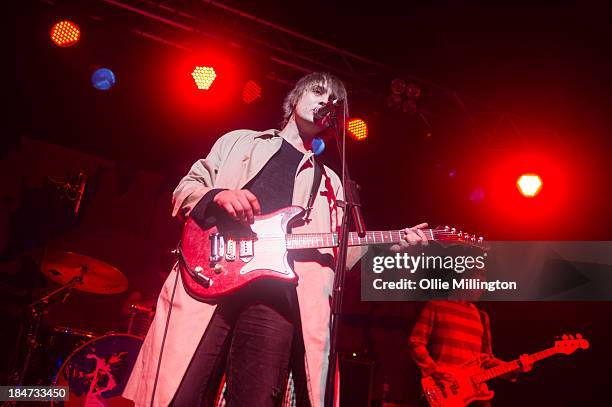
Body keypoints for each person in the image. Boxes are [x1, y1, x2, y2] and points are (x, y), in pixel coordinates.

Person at [123, 72, 428, 407]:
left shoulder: (331, 183)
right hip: (211, 278)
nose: (326, 103)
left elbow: (339, 256)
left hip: (277, 300)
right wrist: (220, 195)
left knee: (255, 399)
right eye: (318, 92)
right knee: (180, 391)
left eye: (335, 102)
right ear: (295, 98)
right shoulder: (239, 141)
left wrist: (389, 246)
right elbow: (186, 189)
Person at [408, 300, 532, 406]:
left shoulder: (482, 316)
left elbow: (486, 360)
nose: (482, 288)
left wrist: (514, 368)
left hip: (477, 394)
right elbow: (415, 342)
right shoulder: (436, 306)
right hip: (446, 390)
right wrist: (433, 369)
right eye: (477, 281)